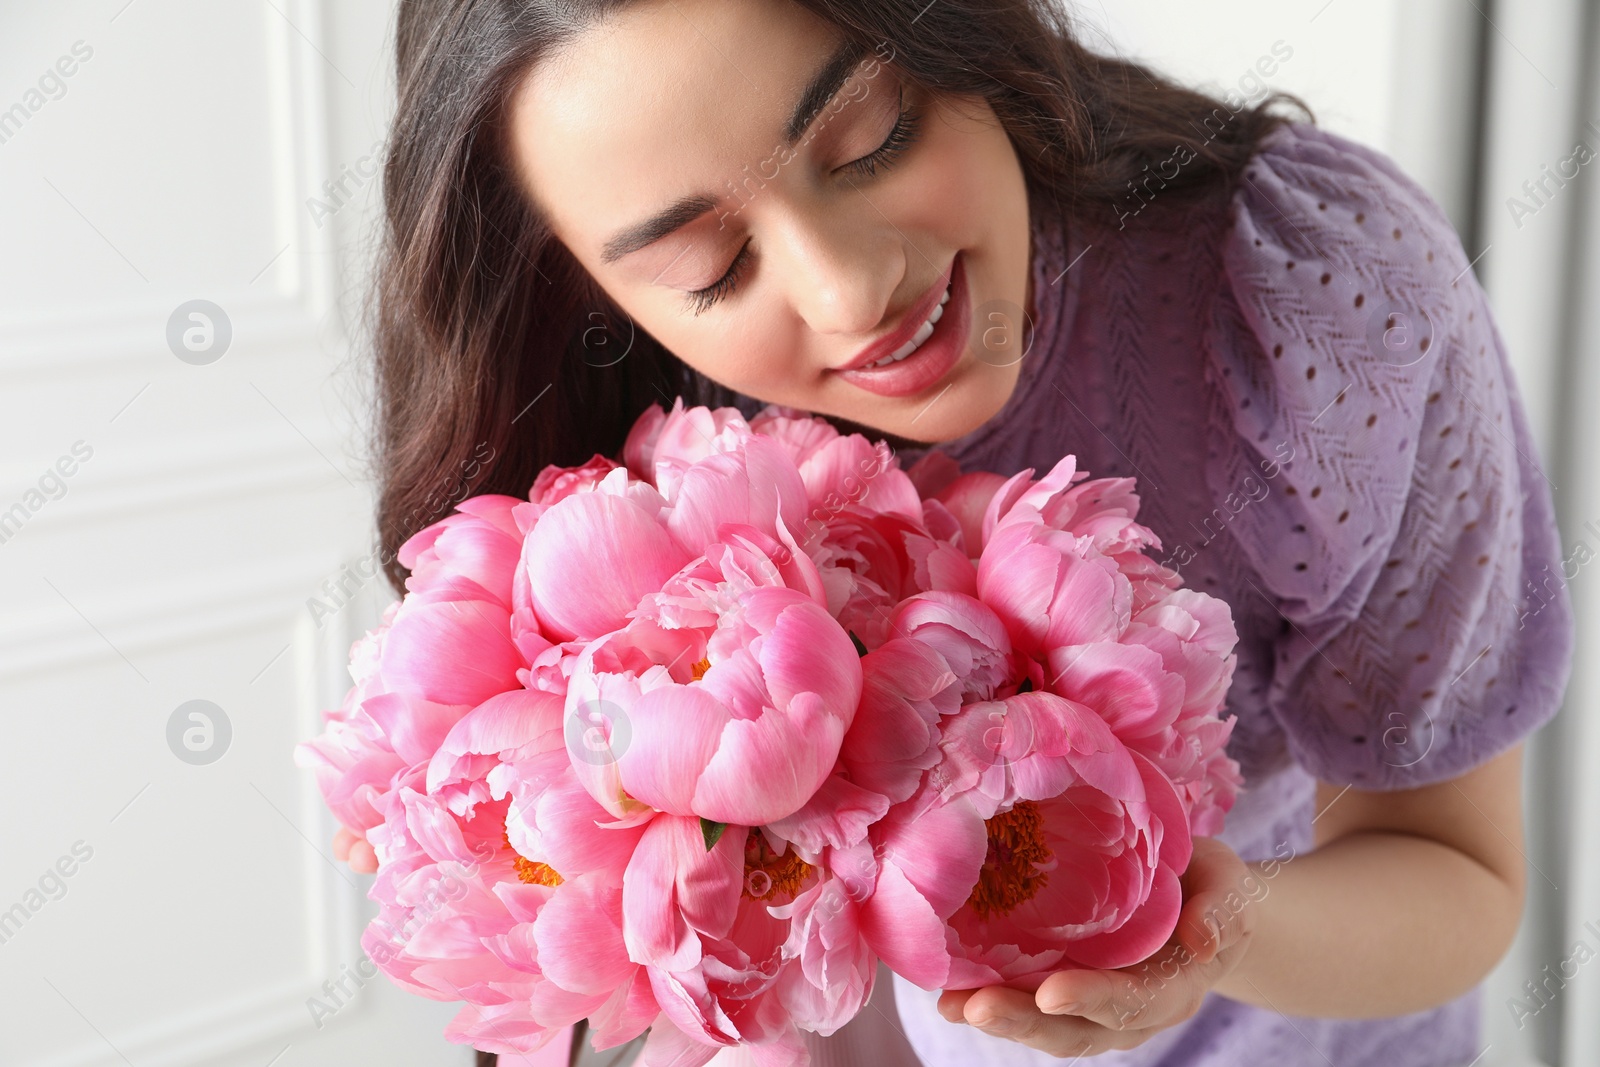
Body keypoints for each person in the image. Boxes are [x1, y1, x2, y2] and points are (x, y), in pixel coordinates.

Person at [331, 0, 1578, 1063]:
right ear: (583, 288)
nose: (848, 286)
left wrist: (1211, 930)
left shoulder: (1301, 309)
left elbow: (1454, 871)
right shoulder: (603, 490)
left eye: (870, 136)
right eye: (710, 265)